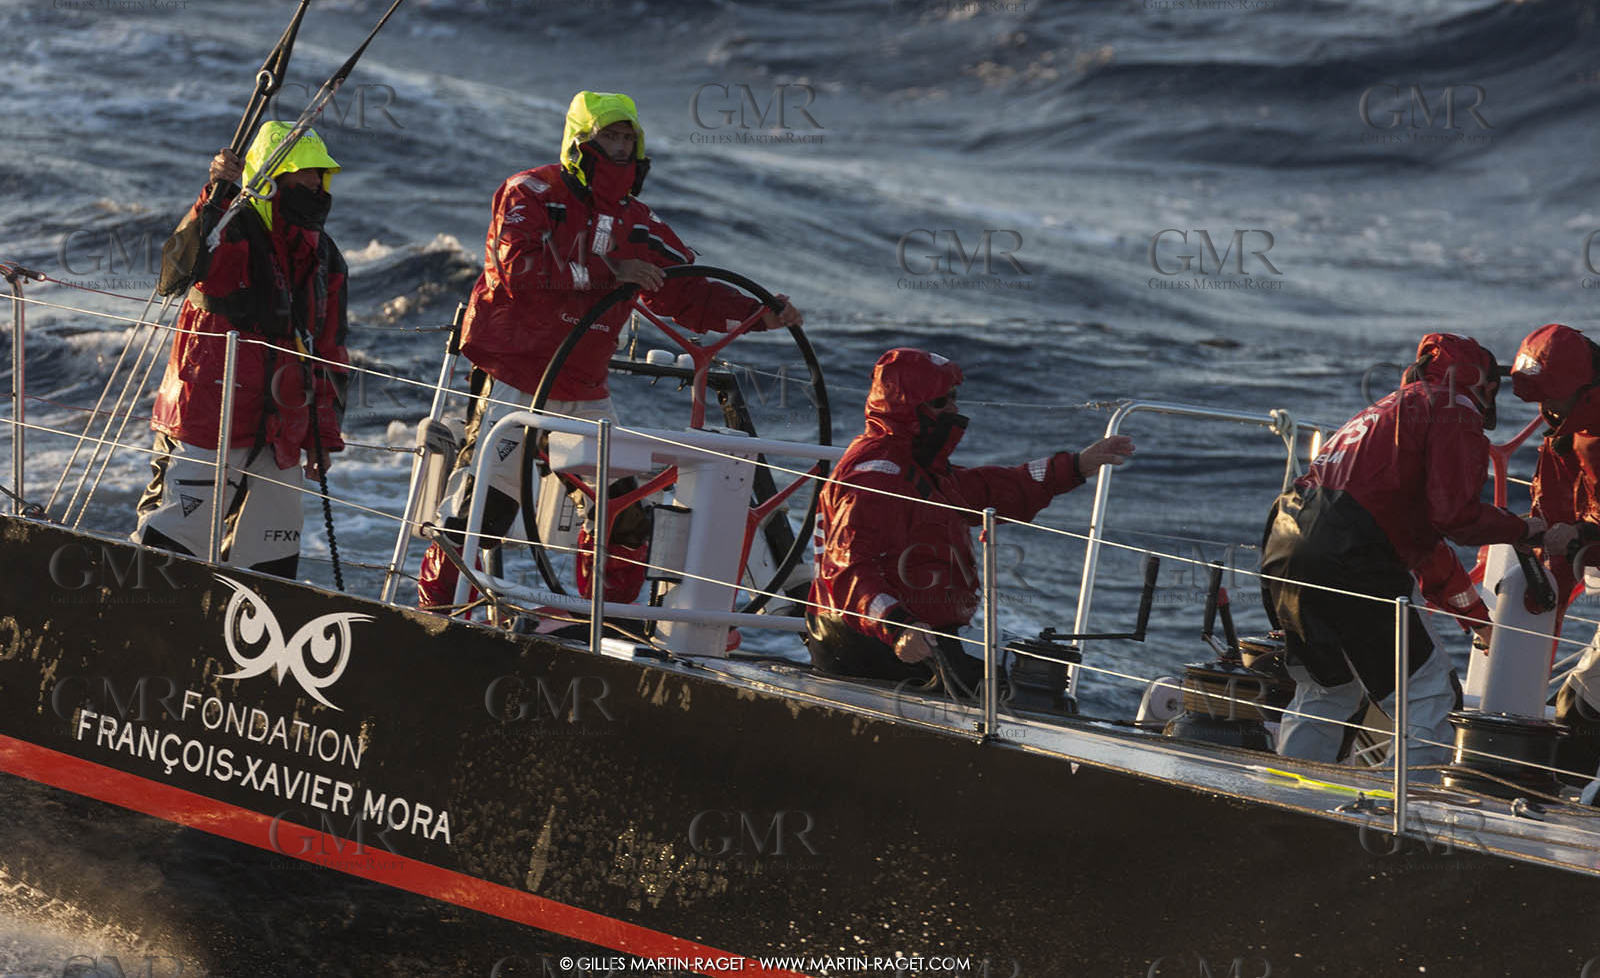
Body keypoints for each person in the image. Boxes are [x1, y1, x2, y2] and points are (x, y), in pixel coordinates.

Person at [417, 90, 801, 612]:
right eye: (610, 137)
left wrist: (759, 315)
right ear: (581, 143)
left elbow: (687, 292)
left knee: (624, 515)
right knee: (483, 509)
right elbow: (517, 269)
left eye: (629, 138)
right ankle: (436, 615)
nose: (621, 148)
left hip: (585, 390)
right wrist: (609, 272)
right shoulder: (530, 192)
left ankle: (602, 627)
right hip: (515, 378)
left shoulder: (638, 223)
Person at [1260, 333, 1545, 775]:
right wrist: (1525, 528)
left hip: (1285, 543)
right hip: (1351, 556)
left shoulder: (1391, 408)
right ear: (1483, 384)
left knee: (1327, 690)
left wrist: (1478, 623)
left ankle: (1285, 793)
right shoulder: (1454, 407)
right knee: (1427, 693)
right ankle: (1410, 809)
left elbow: (1425, 546)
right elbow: (1455, 516)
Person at [805, 347, 1135, 690]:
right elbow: (849, 568)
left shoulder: (917, 467)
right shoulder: (877, 477)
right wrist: (897, 626)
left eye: (954, 398)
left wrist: (1077, 465)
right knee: (1026, 677)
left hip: (915, 634)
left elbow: (990, 488)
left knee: (1039, 665)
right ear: (907, 410)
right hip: (869, 642)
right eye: (940, 403)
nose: (953, 410)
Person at [132, 122, 349, 578]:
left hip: (282, 433)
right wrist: (216, 192)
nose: (316, 185)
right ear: (271, 178)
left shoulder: (325, 255)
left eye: (321, 176)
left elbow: (329, 350)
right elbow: (179, 270)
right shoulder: (227, 229)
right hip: (206, 420)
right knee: (168, 552)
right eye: (305, 174)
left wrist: (322, 432)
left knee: (269, 568)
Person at [1508, 324, 1600, 781]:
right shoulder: (1567, 437)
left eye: (1552, 399)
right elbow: (1556, 528)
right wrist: (1544, 610)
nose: (1545, 411)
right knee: (1578, 706)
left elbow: (1577, 532)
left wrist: (1582, 536)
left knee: (1582, 706)